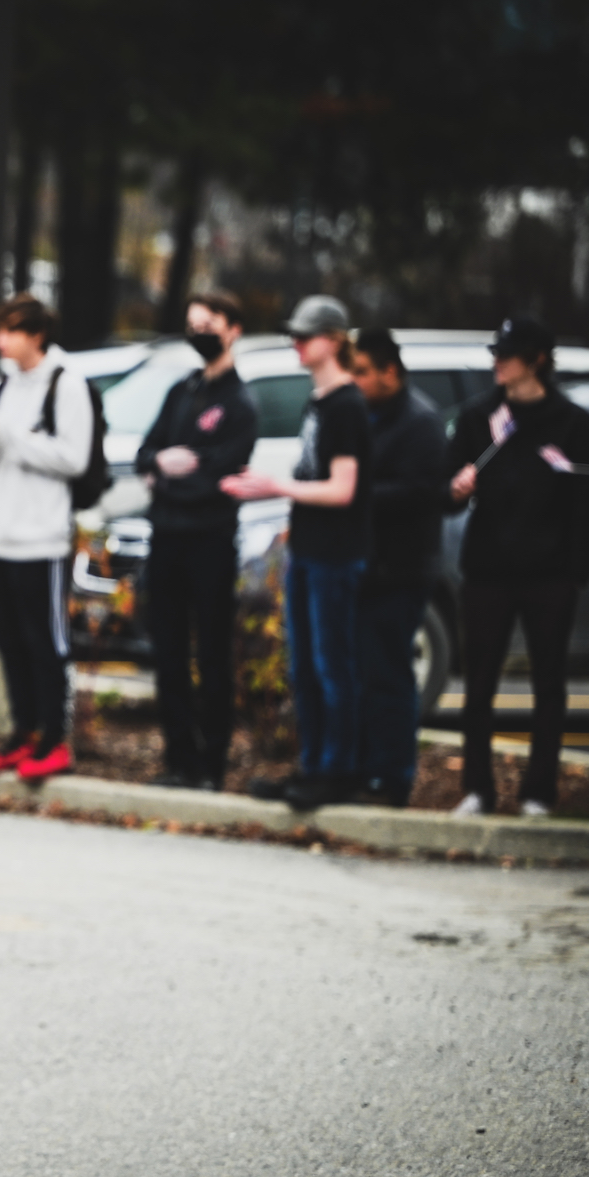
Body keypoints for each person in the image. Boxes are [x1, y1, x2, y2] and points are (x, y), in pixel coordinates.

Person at [443, 317, 589, 817]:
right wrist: (455, 489)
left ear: (536, 360)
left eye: (507, 355)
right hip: (488, 569)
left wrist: (576, 571)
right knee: (479, 683)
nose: (497, 363)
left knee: (549, 684)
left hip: (550, 573)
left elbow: (583, 503)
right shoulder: (478, 418)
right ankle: (477, 788)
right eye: (495, 353)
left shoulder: (573, 423)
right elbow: (444, 489)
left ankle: (538, 791)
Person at [225, 295, 369, 810]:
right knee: (304, 666)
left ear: (333, 340)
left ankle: (339, 770)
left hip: (336, 555)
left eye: (305, 336)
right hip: (307, 551)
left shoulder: (348, 405)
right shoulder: (319, 402)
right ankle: (313, 767)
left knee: (332, 666)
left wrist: (275, 487)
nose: (297, 343)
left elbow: (343, 489)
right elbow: (313, 477)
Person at [132, 289, 259, 790]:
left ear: (233, 330)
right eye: (193, 327)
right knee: (167, 653)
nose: (199, 335)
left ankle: (211, 765)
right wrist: (163, 464)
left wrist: (168, 477)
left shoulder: (240, 404)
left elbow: (218, 478)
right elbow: (146, 452)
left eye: (208, 326)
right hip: (166, 540)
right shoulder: (181, 391)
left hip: (210, 542)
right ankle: (178, 758)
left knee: (211, 655)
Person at [0, 295, 95, 779]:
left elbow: (73, 459)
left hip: (41, 535)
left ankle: (54, 738)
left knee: (45, 640)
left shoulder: (66, 383)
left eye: (12, 331)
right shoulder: (0, 383)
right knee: (8, 638)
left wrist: (5, 434)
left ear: (37, 335)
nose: (0, 340)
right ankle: (22, 732)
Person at [351, 327, 447, 807]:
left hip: (401, 569)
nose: (355, 380)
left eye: (362, 371)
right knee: (362, 673)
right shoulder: (366, 414)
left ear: (390, 372)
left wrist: (353, 494)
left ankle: (391, 776)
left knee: (389, 674)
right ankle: (363, 766)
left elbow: (423, 492)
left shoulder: (420, 422)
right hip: (365, 565)